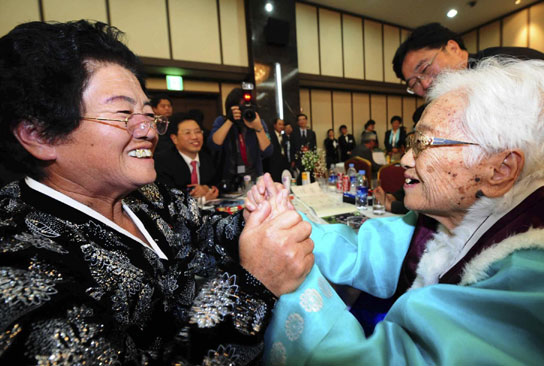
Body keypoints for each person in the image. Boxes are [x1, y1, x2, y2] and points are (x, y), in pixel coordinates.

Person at [0, 20, 314, 365]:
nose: (149, 131)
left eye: (148, 114)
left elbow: (203, 234)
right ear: (40, 135)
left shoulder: (149, 194)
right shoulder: (18, 269)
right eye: (124, 114)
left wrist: (253, 219)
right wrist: (253, 283)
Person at [250, 58, 544, 365]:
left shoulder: (541, 287)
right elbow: (365, 251)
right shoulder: (461, 214)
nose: (404, 159)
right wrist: (282, 220)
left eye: (422, 143)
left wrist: (287, 275)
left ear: (501, 169)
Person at [392, 22, 544, 216]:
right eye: (414, 83)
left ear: (453, 48)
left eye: (425, 69)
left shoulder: (499, 74)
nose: (425, 84)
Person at [207, 88, 272, 190]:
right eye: (240, 108)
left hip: (254, 177)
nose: (243, 112)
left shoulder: (258, 122)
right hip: (228, 179)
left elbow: (268, 152)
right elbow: (214, 145)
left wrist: (258, 127)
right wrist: (229, 121)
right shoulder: (222, 121)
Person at [154, 113, 218, 200]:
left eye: (198, 131)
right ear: (174, 139)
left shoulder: (208, 157)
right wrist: (200, 200)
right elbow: (167, 195)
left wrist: (207, 189)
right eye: (187, 133)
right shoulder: (162, 161)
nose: (194, 137)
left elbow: (218, 183)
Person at [265, 118, 289, 183]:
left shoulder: (285, 136)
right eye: (279, 124)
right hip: (273, 164)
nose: (281, 126)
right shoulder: (269, 135)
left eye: (283, 125)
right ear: (275, 125)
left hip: (283, 164)